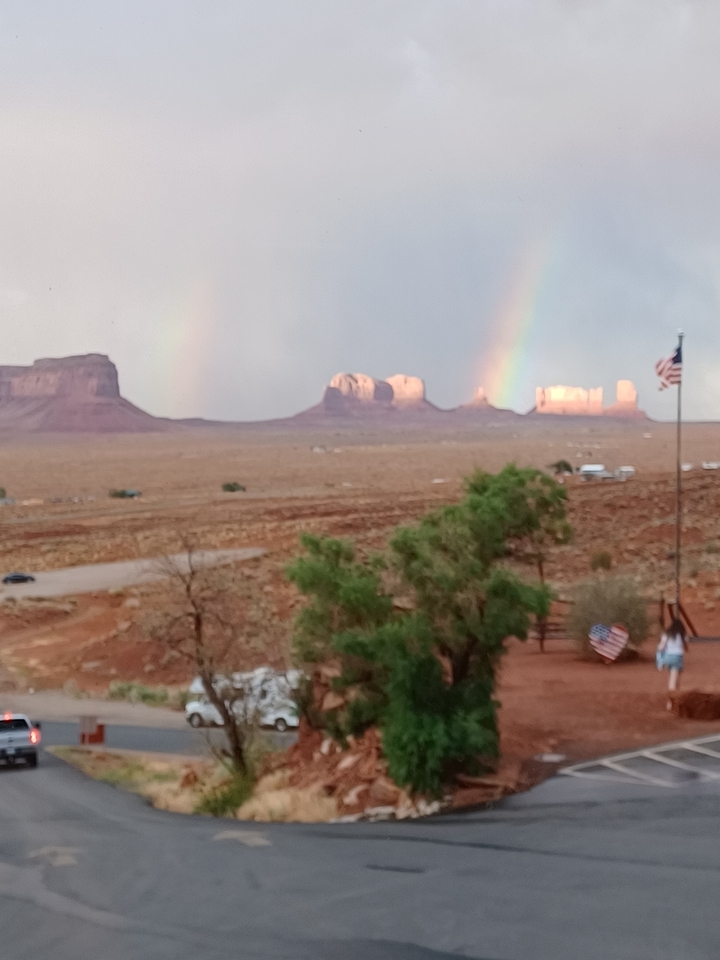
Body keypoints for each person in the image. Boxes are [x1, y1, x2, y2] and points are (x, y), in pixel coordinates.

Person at [656, 618, 689, 710]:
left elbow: (661, 646)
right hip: (677, 658)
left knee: (672, 679)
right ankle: (670, 704)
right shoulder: (682, 635)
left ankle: (675, 701)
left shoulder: (666, 634)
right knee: (674, 682)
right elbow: (685, 648)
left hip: (667, 657)